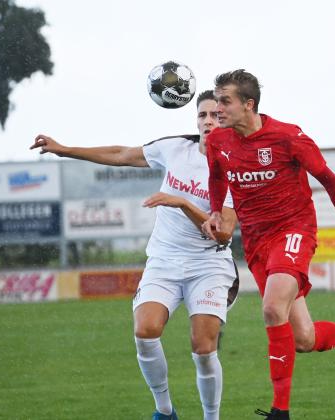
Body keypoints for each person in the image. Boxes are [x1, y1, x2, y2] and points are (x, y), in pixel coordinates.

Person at [30, 90, 238, 420]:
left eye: (216, 115)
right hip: (164, 261)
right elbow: (122, 153)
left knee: (203, 346)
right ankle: (165, 411)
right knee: (145, 330)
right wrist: (65, 149)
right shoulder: (174, 149)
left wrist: (182, 203)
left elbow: (223, 232)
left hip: (208, 265)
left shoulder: (236, 167)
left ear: (227, 120)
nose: (209, 121)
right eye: (203, 115)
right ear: (195, 120)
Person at [201, 69, 335, 420]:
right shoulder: (219, 142)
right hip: (256, 242)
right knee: (303, 339)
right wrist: (214, 211)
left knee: (271, 308)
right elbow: (217, 176)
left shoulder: (287, 136)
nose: (217, 109)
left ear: (248, 104)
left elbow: (329, 180)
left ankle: (279, 411)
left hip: (293, 230)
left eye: (225, 101)